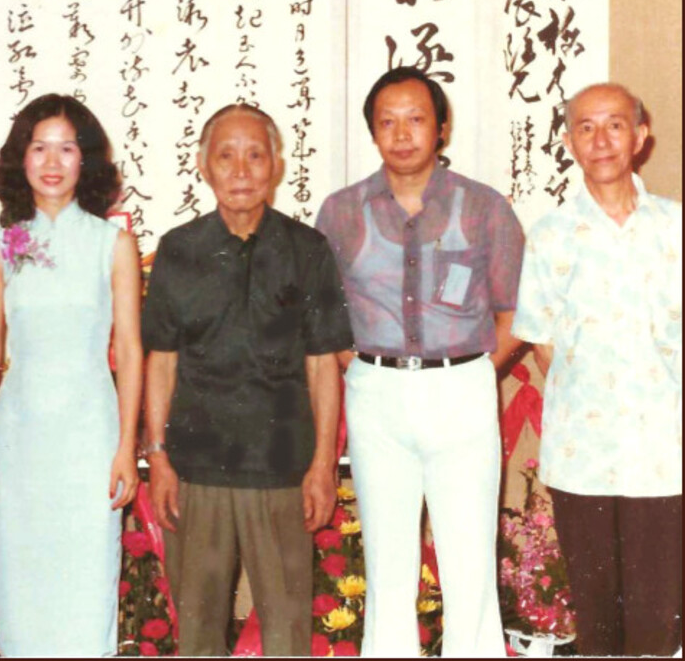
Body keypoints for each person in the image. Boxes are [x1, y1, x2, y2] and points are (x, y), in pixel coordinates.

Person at [315, 66, 524, 656]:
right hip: (376, 392)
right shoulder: (341, 212)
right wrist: (359, 368)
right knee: (385, 559)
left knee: (469, 559)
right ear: (372, 133)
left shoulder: (483, 207)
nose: (402, 133)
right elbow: (322, 314)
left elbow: (513, 311)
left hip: (461, 388)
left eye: (416, 119)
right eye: (388, 122)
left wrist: (477, 369)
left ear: (441, 127)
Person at [142, 103, 353, 655]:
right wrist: (159, 459)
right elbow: (159, 361)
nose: (241, 170)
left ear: (276, 166)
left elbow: (322, 363)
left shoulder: (306, 251)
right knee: (199, 635)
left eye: (255, 155)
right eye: (226, 155)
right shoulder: (177, 251)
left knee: (286, 634)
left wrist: (322, 465)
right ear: (203, 166)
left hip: (283, 470)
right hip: (195, 472)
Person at [0, 93, 142, 656]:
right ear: (20, 158)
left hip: (90, 436)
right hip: (19, 440)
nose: (51, 161)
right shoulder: (3, 245)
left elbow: (132, 351)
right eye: (39, 147)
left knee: (87, 582)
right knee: (23, 584)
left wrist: (125, 448)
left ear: (85, 160)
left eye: (66, 148)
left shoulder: (112, 243)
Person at [511, 83, 681, 656]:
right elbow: (543, 347)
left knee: (659, 620)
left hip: (664, 454)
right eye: (586, 127)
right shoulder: (550, 235)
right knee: (598, 620)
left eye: (614, 125)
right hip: (582, 456)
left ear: (640, 136)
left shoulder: (675, 229)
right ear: (568, 141)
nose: (601, 139)